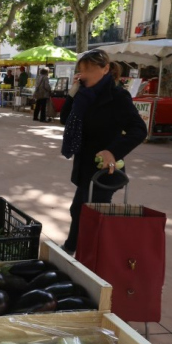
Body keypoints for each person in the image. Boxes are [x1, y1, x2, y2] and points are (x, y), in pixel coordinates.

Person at [59, 49, 148, 254]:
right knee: (78, 210)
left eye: (90, 69)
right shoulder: (82, 94)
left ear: (106, 69)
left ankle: (85, 256)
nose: (85, 74)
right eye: (81, 70)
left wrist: (113, 151)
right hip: (85, 165)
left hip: (103, 169)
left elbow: (139, 130)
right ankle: (72, 249)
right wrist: (73, 92)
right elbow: (65, 118)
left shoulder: (117, 96)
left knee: (91, 215)